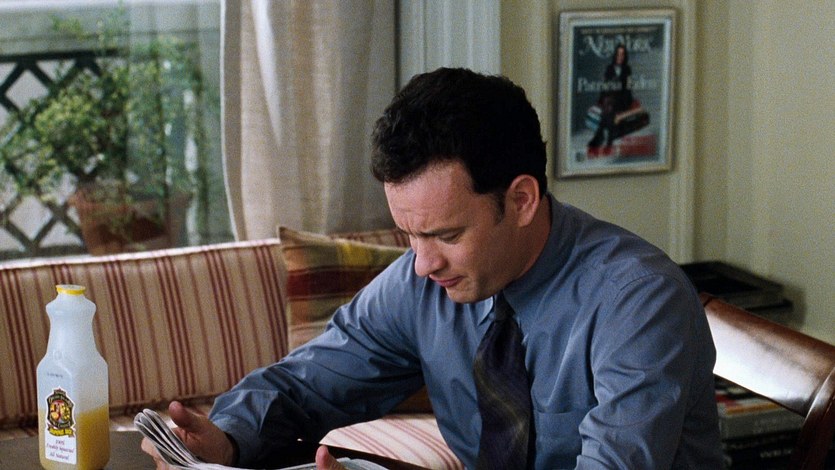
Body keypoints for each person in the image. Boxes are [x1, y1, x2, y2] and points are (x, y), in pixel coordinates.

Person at [142, 67, 723, 469]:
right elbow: (307, 384)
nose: (421, 264)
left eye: (446, 235)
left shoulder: (638, 302)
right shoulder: (423, 284)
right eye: (410, 235)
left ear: (521, 200)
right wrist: (225, 440)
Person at [588, 44, 633, 150]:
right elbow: (605, 85)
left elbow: (628, 87)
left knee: (609, 110)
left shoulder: (627, 69)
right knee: (608, 109)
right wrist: (602, 99)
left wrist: (625, 100)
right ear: (615, 55)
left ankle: (600, 137)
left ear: (625, 56)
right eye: (618, 54)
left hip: (622, 99)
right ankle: (608, 140)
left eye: (622, 54)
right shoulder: (609, 68)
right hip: (610, 100)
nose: (620, 57)